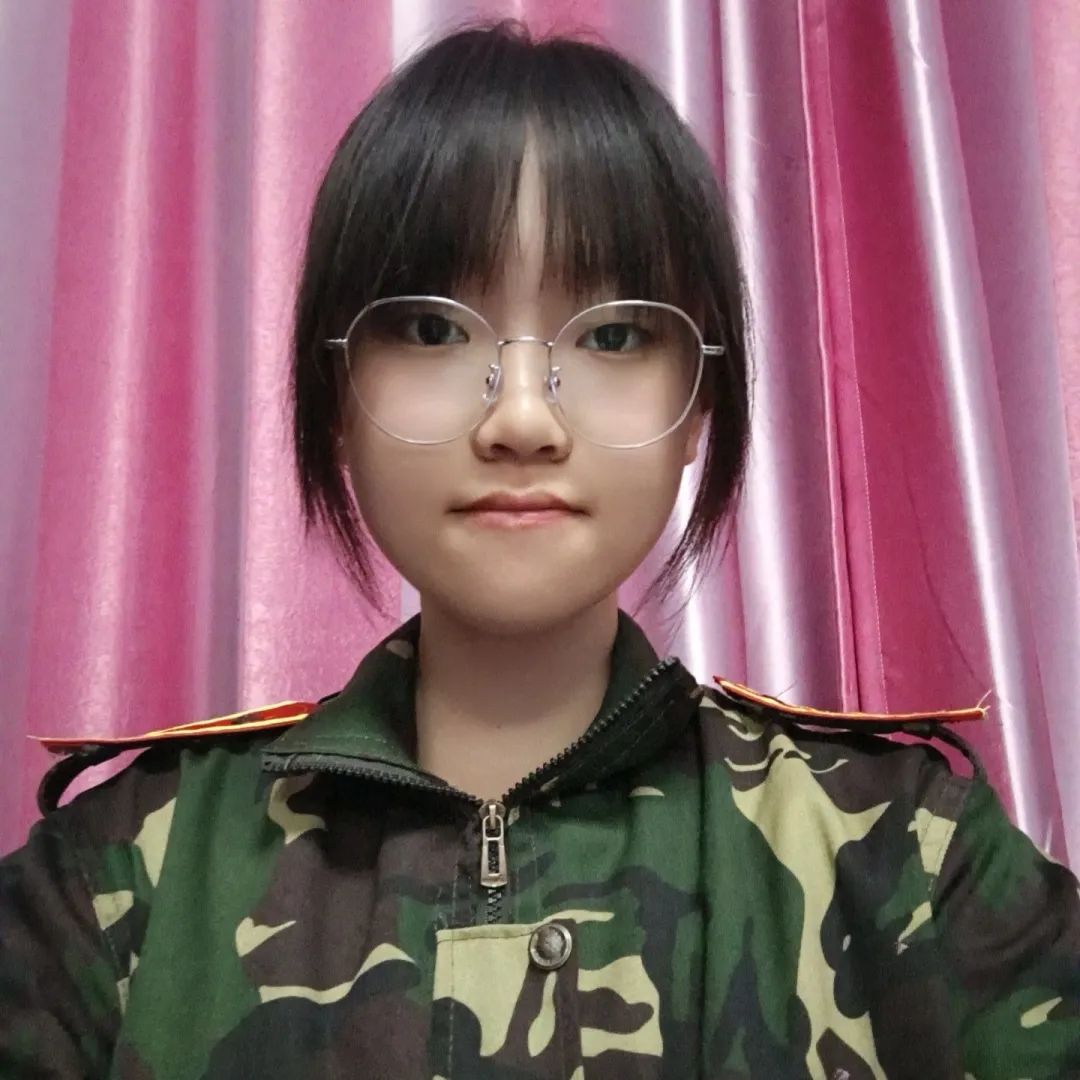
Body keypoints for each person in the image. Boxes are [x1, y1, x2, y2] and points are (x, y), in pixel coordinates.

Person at [1, 19, 1078, 1080]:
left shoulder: (907, 855)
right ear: (337, 393)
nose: (521, 419)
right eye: (433, 329)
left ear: (699, 401)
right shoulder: (119, 883)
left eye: (613, 335)